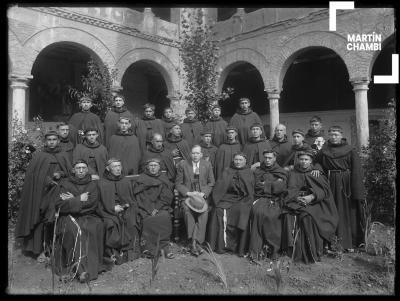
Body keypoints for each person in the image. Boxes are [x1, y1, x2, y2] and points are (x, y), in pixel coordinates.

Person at [15, 130, 72, 260]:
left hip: (58, 191)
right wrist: (46, 180)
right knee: (41, 219)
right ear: (45, 142)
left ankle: (54, 250)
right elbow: (32, 175)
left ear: (58, 141)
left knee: (54, 219)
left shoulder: (63, 155)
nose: (52, 142)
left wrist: (61, 174)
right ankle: (39, 249)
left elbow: (69, 172)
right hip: (41, 192)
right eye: (49, 140)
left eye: (54, 139)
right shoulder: (39, 156)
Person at [280, 151, 338, 264]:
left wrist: (311, 197)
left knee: (308, 217)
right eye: (301, 159)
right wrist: (296, 197)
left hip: (313, 203)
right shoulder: (293, 173)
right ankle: (291, 250)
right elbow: (287, 189)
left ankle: (311, 251)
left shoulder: (316, 173)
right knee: (288, 215)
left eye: (306, 159)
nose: (303, 162)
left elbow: (324, 191)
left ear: (311, 161)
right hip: (294, 200)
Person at [314, 126, 365, 252]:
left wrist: (357, 190)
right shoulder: (324, 150)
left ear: (341, 135)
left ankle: (349, 243)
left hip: (345, 184)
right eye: (331, 134)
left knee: (346, 212)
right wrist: (317, 169)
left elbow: (357, 170)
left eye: (336, 134)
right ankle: (330, 242)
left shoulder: (350, 150)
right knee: (331, 210)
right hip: (330, 182)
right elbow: (317, 162)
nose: (333, 137)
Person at [53, 159, 106, 282]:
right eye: (78, 168)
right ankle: (77, 270)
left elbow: (92, 203)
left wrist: (72, 200)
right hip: (68, 216)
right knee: (73, 231)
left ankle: (89, 268)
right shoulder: (65, 184)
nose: (81, 170)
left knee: (93, 227)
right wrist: (79, 199)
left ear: (87, 170)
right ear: (73, 170)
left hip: (88, 216)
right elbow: (60, 204)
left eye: (83, 168)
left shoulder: (92, 185)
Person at [207, 152, 255, 256]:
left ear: (245, 161)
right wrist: (217, 199)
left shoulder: (248, 172)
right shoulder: (227, 170)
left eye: (240, 160)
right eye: (236, 159)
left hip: (242, 199)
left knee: (241, 211)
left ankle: (238, 247)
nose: (238, 162)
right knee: (218, 210)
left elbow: (250, 191)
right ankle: (220, 245)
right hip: (226, 197)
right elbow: (220, 186)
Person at [248, 150, 288, 262]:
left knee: (273, 216)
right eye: (265, 158)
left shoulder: (280, 171)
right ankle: (257, 249)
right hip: (260, 197)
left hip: (276, 199)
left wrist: (265, 184)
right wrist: (272, 184)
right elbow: (256, 186)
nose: (267, 160)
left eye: (270, 158)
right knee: (258, 212)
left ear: (275, 158)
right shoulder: (259, 171)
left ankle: (272, 249)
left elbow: (281, 188)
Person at [98, 159, 140, 265]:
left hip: (126, 208)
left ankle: (130, 252)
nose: (117, 169)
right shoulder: (102, 183)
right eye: (114, 166)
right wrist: (112, 208)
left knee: (131, 219)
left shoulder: (125, 181)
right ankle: (113, 253)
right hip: (108, 210)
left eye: (119, 166)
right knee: (111, 223)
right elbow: (99, 203)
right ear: (108, 169)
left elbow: (131, 199)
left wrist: (126, 205)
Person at [175, 145, 215, 256]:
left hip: (201, 197)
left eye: (197, 153)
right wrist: (188, 193)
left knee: (204, 212)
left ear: (201, 154)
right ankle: (194, 243)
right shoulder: (183, 165)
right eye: (193, 153)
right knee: (188, 211)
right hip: (188, 196)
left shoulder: (207, 165)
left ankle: (195, 242)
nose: (195, 155)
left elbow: (211, 183)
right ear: (190, 154)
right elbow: (178, 183)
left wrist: (204, 194)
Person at [133, 158, 175, 259]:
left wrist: (156, 208)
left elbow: (166, 196)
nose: (153, 168)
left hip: (160, 206)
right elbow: (140, 196)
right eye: (151, 165)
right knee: (148, 220)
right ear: (147, 167)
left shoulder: (163, 178)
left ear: (159, 167)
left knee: (164, 217)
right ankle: (149, 249)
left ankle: (165, 247)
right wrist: (150, 209)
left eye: (155, 165)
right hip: (145, 207)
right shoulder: (141, 179)